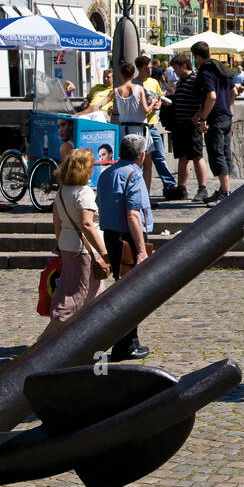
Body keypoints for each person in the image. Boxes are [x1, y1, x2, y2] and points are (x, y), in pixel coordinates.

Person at [97, 133, 153, 360]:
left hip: (111, 237)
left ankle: (130, 341)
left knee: (125, 290)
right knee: (132, 294)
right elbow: (133, 215)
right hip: (128, 240)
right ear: (141, 156)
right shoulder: (134, 176)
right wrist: (141, 250)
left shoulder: (107, 173)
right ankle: (124, 345)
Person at [44, 148, 110, 333]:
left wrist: (61, 243)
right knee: (75, 294)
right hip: (83, 250)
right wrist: (104, 251)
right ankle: (51, 335)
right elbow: (87, 224)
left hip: (68, 245)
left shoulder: (63, 191)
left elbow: (57, 222)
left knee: (94, 292)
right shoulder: (84, 192)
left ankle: (91, 331)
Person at [190, 41, 238, 207]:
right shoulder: (221, 68)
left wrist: (203, 118)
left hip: (215, 120)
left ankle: (225, 192)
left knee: (217, 155)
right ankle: (224, 189)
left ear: (196, 56)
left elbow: (211, 96)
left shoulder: (206, 71)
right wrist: (227, 107)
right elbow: (234, 92)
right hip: (226, 117)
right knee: (225, 154)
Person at [134, 55, 181, 200]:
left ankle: (169, 185)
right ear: (139, 69)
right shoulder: (135, 84)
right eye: (146, 68)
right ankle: (139, 189)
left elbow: (159, 98)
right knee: (140, 161)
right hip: (141, 126)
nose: (150, 71)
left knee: (160, 157)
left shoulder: (153, 82)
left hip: (153, 125)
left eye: (150, 68)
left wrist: (160, 103)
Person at [170, 53, 210, 203]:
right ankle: (182, 188)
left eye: (175, 68)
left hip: (192, 125)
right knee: (182, 157)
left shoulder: (195, 80)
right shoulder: (181, 81)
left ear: (183, 66)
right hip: (180, 125)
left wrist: (199, 117)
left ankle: (202, 188)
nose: (174, 72)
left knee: (197, 156)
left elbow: (205, 99)